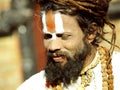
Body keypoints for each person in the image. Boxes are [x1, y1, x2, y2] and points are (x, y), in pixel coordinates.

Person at [17, 0, 120, 90]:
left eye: (64, 36)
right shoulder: (33, 86)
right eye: (48, 36)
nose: (53, 47)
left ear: (90, 33)